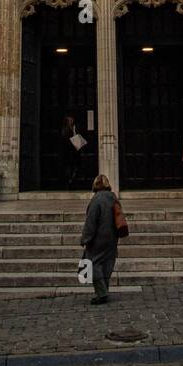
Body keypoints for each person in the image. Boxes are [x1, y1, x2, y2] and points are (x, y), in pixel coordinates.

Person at [81, 174, 119, 304]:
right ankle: (104, 290)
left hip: (98, 238)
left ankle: (101, 293)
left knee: (93, 264)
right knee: (107, 264)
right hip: (112, 237)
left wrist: (85, 239)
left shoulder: (96, 200)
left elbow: (90, 222)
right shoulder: (113, 198)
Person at [60, 114, 81, 188]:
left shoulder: (75, 127)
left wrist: (74, 131)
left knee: (75, 166)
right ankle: (68, 181)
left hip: (74, 150)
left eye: (72, 119)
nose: (71, 121)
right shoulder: (64, 129)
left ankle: (73, 179)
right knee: (68, 166)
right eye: (70, 119)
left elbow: (77, 138)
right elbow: (64, 139)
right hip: (67, 151)